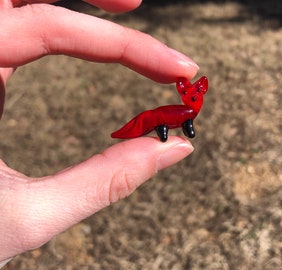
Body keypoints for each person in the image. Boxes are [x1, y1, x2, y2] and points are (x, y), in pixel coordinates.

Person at [0, 0, 199, 267]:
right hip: (163, 119)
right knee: (158, 121)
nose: (191, 96)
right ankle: (158, 131)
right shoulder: (180, 111)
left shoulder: (187, 110)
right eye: (188, 92)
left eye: (194, 93)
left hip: (170, 118)